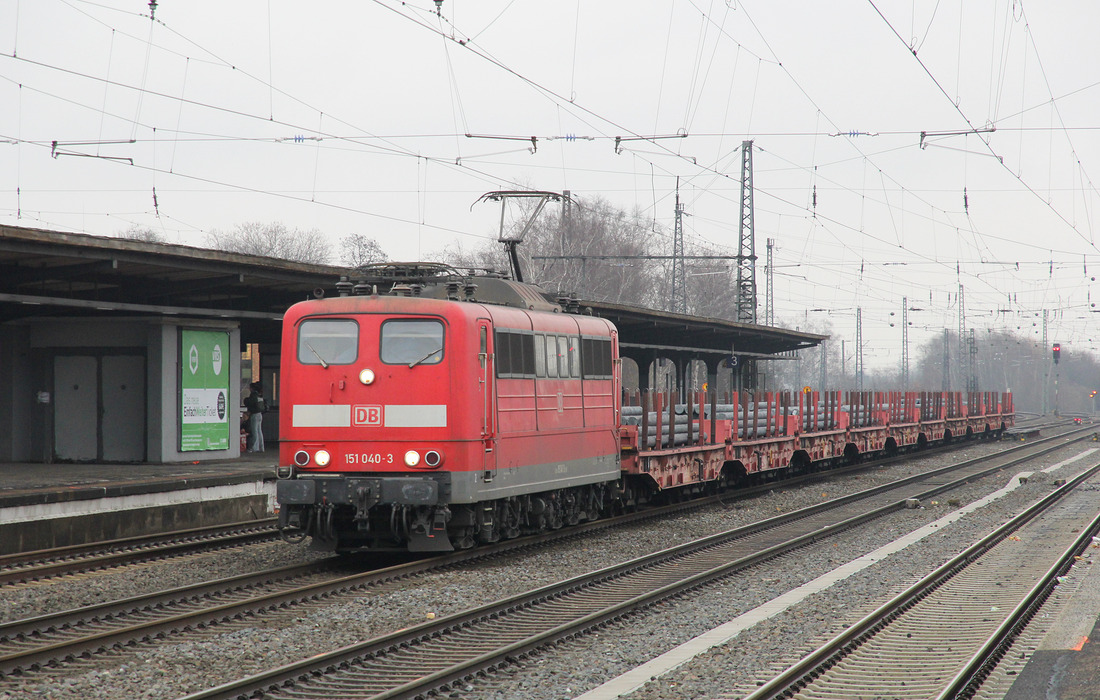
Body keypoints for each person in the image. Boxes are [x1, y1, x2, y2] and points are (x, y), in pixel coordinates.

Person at [244, 382, 266, 453]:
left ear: (252, 388)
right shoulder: (260, 395)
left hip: (254, 414)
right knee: (259, 431)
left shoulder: (253, 395)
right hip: (260, 414)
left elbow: (249, 402)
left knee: (254, 432)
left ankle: (253, 448)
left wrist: (245, 400)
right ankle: (261, 447)